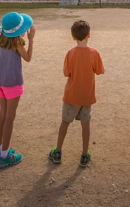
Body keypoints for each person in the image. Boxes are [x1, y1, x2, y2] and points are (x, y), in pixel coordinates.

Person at [49, 20, 104, 167]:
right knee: (85, 124)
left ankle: (58, 151)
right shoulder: (94, 53)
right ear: (89, 35)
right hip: (87, 96)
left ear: (73, 37)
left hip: (72, 95)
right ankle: (84, 154)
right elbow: (100, 71)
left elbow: (67, 73)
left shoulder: (70, 53)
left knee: (65, 122)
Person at [0, 12, 35, 169]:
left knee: (2, 115)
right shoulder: (18, 43)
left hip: (1, 82)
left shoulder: (2, 40)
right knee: (10, 117)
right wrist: (31, 39)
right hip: (12, 83)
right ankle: (5, 155)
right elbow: (28, 58)